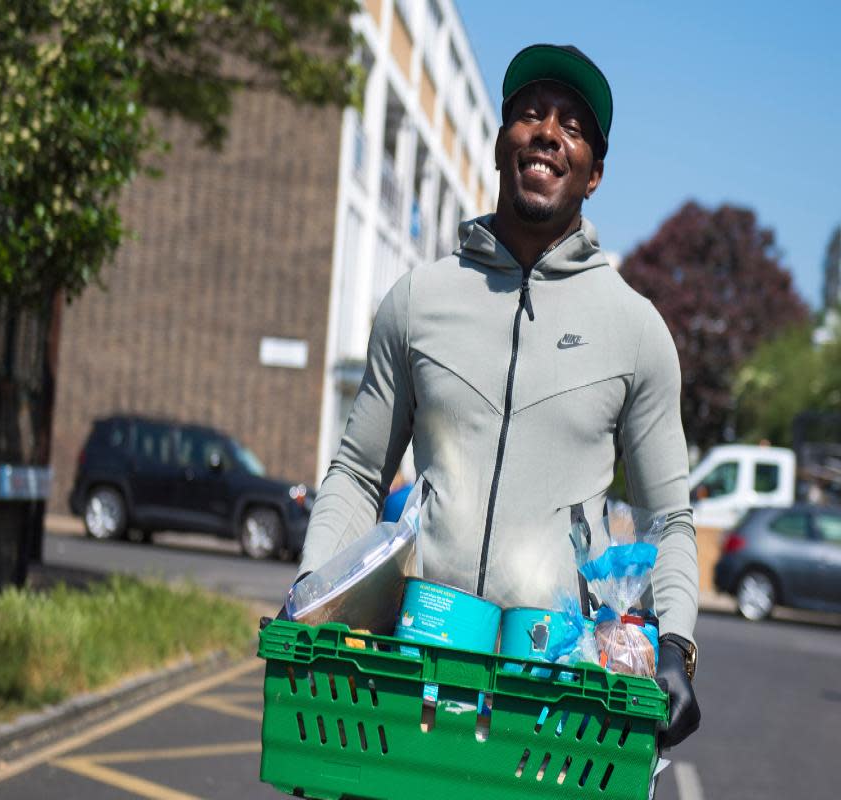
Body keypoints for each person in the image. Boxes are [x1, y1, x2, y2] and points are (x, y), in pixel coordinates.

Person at [298, 44, 700, 747]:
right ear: (499, 145)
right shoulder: (418, 301)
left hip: (551, 707)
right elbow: (359, 475)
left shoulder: (636, 333)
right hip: (410, 680)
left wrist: (676, 650)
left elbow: (669, 520)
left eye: (573, 126)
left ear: (595, 173)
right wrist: (310, 596)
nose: (548, 132)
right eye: (530, 114)